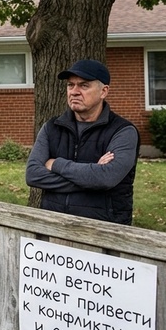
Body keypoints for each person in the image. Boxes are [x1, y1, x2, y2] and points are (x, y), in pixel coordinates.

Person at [25, 59, 140, 225]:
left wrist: (57, 164)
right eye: (70, 85)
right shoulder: (52, 127)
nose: (74, 91)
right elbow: (33, 175)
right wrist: (91, 177)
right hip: (54, 227)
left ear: (104, 91)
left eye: (84, 85)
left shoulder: (123, 132)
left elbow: (106, 178)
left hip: (103, 232)